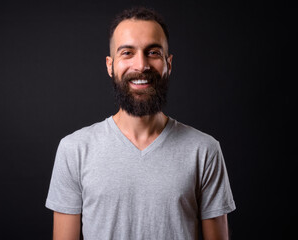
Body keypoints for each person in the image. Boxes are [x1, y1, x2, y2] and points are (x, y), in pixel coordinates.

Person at [45, 6, 236, 240]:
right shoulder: (74, 150)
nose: (141, 65)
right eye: (127, 53)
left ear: (169, 63)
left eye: (153, 52)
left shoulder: (204, 150)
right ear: (109, 65)